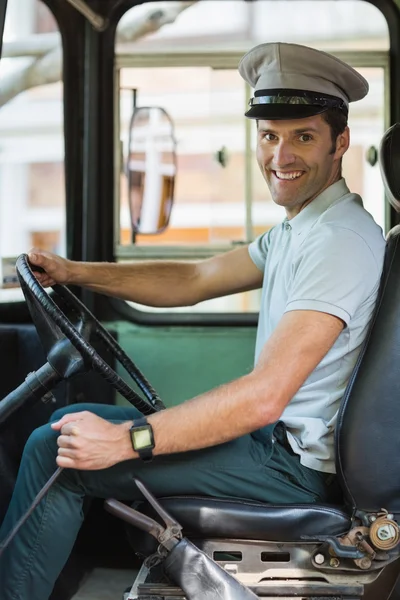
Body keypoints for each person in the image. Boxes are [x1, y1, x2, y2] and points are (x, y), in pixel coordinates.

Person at [0, 42, 386, 600]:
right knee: (72, 423)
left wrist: (127, 440)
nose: (281, 156)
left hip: (290, 467)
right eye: (269, 136)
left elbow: (264, 398)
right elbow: (196, 280)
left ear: (340, 142)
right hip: (271, 446)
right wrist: (73, 270)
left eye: (303, 136)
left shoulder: (339, 242)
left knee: (54, 453)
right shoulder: (301, 229)